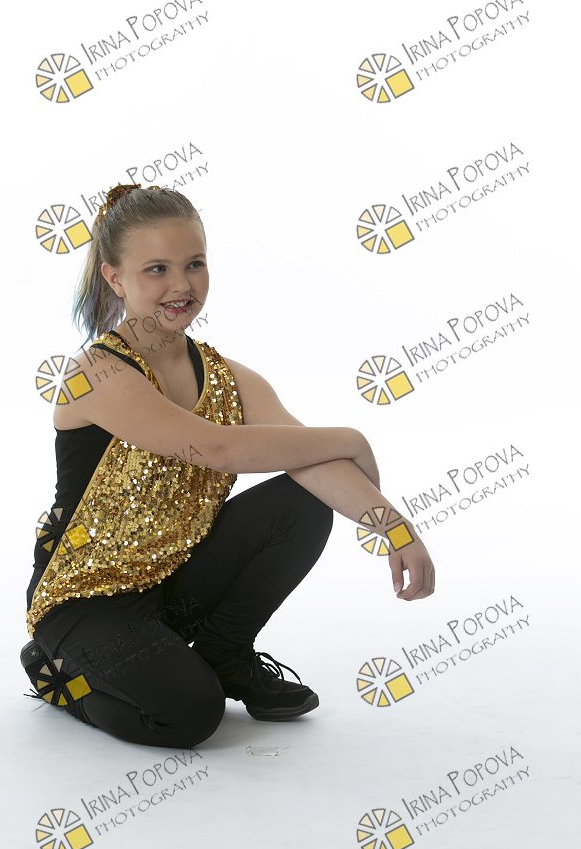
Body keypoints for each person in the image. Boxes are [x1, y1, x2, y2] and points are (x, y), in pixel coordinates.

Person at [21, 184, 436, 749]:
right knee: (190, 715)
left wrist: (393, 525)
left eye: (194, 264)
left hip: (172, 580)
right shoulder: (96, 373)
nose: (181, 285)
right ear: (114, 278)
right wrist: (352, 438)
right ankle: (60, 676)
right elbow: (215, 448)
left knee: (304, 499)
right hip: (87, 598)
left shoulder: (229, 377)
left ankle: (224, 652)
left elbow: (309, 461)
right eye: (157, 269)